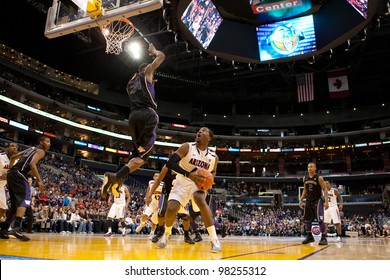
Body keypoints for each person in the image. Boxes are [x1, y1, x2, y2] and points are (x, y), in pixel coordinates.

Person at [101, 43, 165, 198]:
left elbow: (141, 86)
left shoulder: (130, 84)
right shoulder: (147, 72)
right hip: (147, 115)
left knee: (137, 153)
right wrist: (154, 51)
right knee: (143, 158)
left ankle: (118, 180)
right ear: (146, 69)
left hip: (133, 117)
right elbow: (162, 57)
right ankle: (115, 176)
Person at [156, 127, 222, 253]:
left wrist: (210, 180)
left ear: (209, 138)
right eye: (199, 131)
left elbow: (213, 172)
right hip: (182, 181)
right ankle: (167, 234)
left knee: (199, 199)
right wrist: (189, 175)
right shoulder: (187, 147)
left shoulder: (214, 157)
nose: (200, 132)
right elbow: (170, 163)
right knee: (170, 209)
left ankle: (214, 240)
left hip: (198, 184)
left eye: (204, 131)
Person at [0, 136, 50, 241]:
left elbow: (14, 157)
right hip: (19, 173)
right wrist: (40, 180)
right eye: (47, 141)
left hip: (12, 173)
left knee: (14, 206)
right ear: (41, 142)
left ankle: (4, 229)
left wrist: (10, 169)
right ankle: (16, 228)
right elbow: (32, 164)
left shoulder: (30, 149)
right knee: (25, 199)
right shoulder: (41, 151)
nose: (49, 144)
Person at [145, 166, 195, 244]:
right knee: (161, 214)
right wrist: (149, 195)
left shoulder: (186, 165)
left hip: (181, 193)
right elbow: (158, 181)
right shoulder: (167, 167)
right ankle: (161, 232)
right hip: (167, 193)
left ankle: (186, 236)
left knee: (185, 216)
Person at [299, 162, 329, 245]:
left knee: (320, 219)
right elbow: (305, 190)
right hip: (308, 200)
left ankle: (323, 237)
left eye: (311, 167)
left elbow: (325, 189)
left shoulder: (319, 178)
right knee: (307, 220)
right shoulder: (305, 178)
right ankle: (310, 237)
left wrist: (326, 201)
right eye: (308, 167)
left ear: (315, 168)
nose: (309, 168)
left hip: (318, 200)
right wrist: (301, 199)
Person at [0, 142, 18, 231]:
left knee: (3, 208)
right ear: (7, 148)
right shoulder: (1, 156)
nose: (14, 148)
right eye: (12, 146)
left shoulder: (16, 162)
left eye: (16, 147)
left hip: (2, 186)